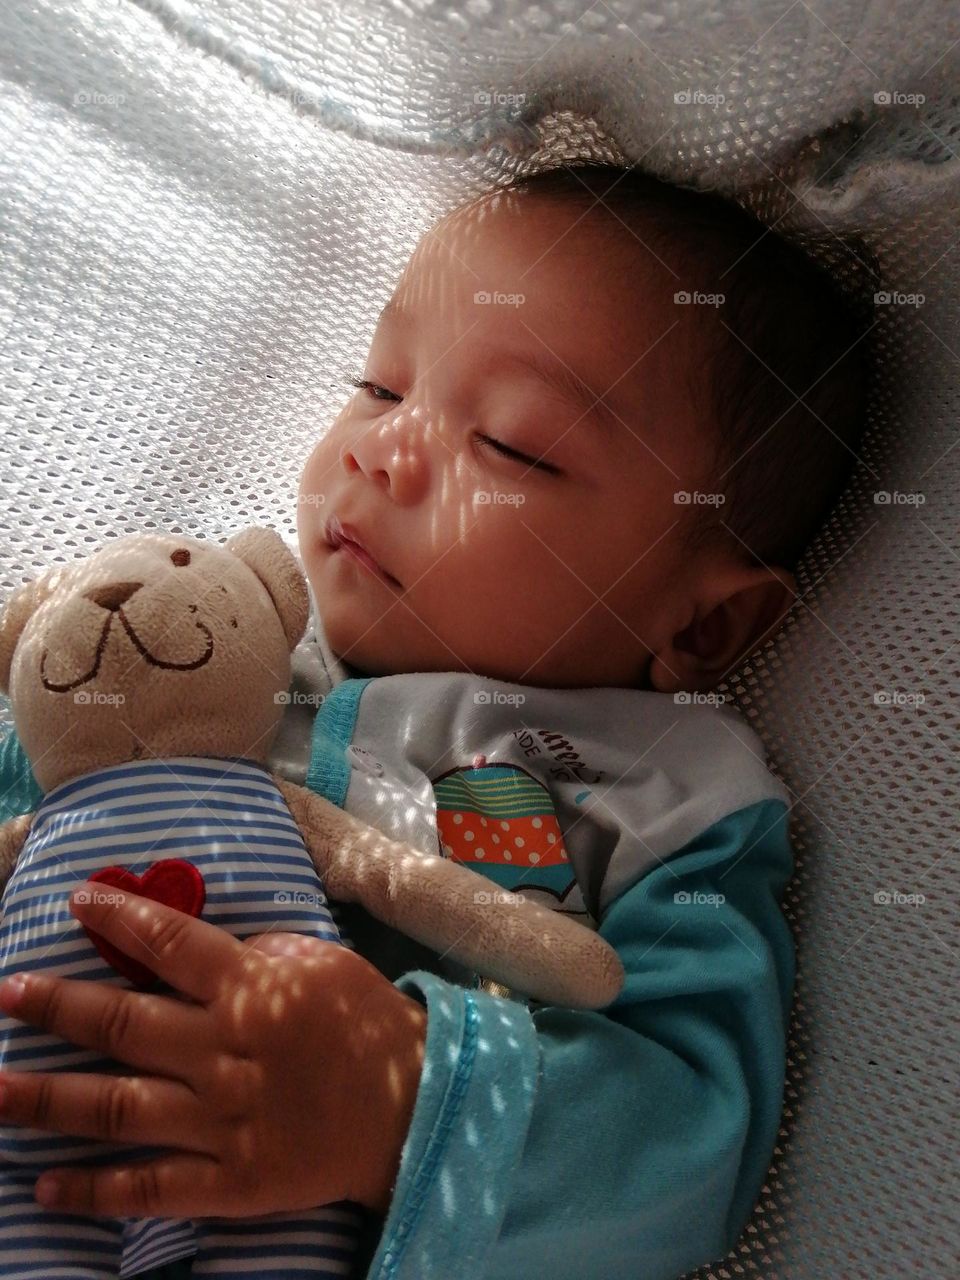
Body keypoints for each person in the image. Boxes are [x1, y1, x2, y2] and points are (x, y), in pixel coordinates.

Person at [0, 162, 871, 1278]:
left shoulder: (662, 795)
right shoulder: (210, 649)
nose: (379, 447)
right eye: (376, 385)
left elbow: (688, 1141)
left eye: (510, 444)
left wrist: (394, 1094)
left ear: (702, 628)